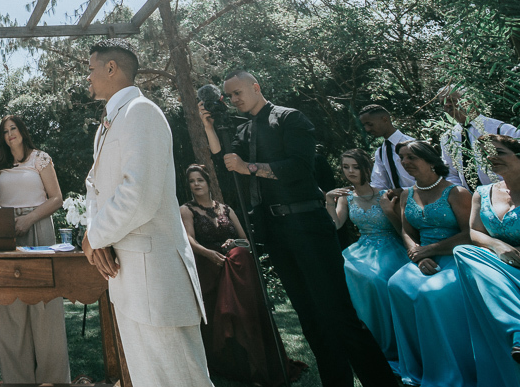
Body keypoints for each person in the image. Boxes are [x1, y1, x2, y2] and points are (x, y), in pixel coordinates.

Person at [203, 70, 395, 387]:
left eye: (238, 93)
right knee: (310, 319)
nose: (234, 100)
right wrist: (210, 127)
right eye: (229, 96)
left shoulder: (290, 118)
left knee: (337, 314)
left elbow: (298, 167)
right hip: (277, 233)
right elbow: (227, 161)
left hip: (308, 226)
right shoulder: (247, 130)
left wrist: (249, 167)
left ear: (256, 86)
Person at [84, 40, 210, 387]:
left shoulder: (142, 111)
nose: (88, 77)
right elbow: (96, 185)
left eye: (91, 68)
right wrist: (101, 238)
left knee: (182, 379)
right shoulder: (108, 122)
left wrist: (93, 237)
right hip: (126, 276)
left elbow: (139, 194)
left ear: (112, 68)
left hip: (156, 279)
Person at [181, 164, 303, 386]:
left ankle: (256, 363)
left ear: (208, 182)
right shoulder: (187, 210)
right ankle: (231, 363)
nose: (196, 184)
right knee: (236, 260)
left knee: (239, 254)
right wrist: (208, 253)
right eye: (192, 181)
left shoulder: (226, 209)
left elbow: (246, 240)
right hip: (208, 265)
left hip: (234, 265)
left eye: (200, 180)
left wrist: (233, 244)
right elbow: (189, 240)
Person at [454, 134, 520, 387]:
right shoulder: (481, 193)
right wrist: (498, 246)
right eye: (488, 154)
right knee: (464, 252)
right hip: (499, 271)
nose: (491, 158)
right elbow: (474, 233)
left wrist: (517, 254)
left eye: (499, 152)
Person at [0, 115, 69, 384]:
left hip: (39, 229)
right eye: (5, 131)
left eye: (14, 128)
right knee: (11, 305)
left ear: (22, 131)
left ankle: (52, 379)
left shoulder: (40, 159)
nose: (10, 133)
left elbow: (56, 198)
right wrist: (5, 218)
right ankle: (17, 379)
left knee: (45, 304)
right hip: (6, 233)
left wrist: (28, 219)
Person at [386, 139, 474, 387]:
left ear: (431, 160)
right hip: (421, 257)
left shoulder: (456, 192)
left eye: (411, 157)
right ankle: (417, 365)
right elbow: (406, 231)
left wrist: (431, 250)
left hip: (456, 255)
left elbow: (470, 234)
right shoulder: (406, 194)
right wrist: (417, 253)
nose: (405, 162)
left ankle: (449, 368)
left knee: (431, 294)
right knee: (395, 285)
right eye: (402, 157)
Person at [324, 149, 409, 366]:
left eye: (355, 166)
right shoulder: (346, 197)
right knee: (344, 268)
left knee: (377, 278)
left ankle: (391, 340)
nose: (350, 171)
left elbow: (402, 229)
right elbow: (336, 225)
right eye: (345, 167)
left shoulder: (385, 193)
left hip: (390, 246)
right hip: (363, 246)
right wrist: (329, 202)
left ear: (366, 168)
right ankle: (364, 340)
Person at [436, 84, 520, 188]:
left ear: (473, 101)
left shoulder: (502, 130)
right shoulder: (448, 138)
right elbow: (451, 174)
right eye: (443, 103)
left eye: (452, 100)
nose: (447, 105)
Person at [359, 105, 415, 191]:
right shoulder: (381, 152)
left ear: (385, 119)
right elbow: (378, 184)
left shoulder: (413, 144)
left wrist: (403, 192)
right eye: (364, 126)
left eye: (370, 124)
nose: (367, 129)